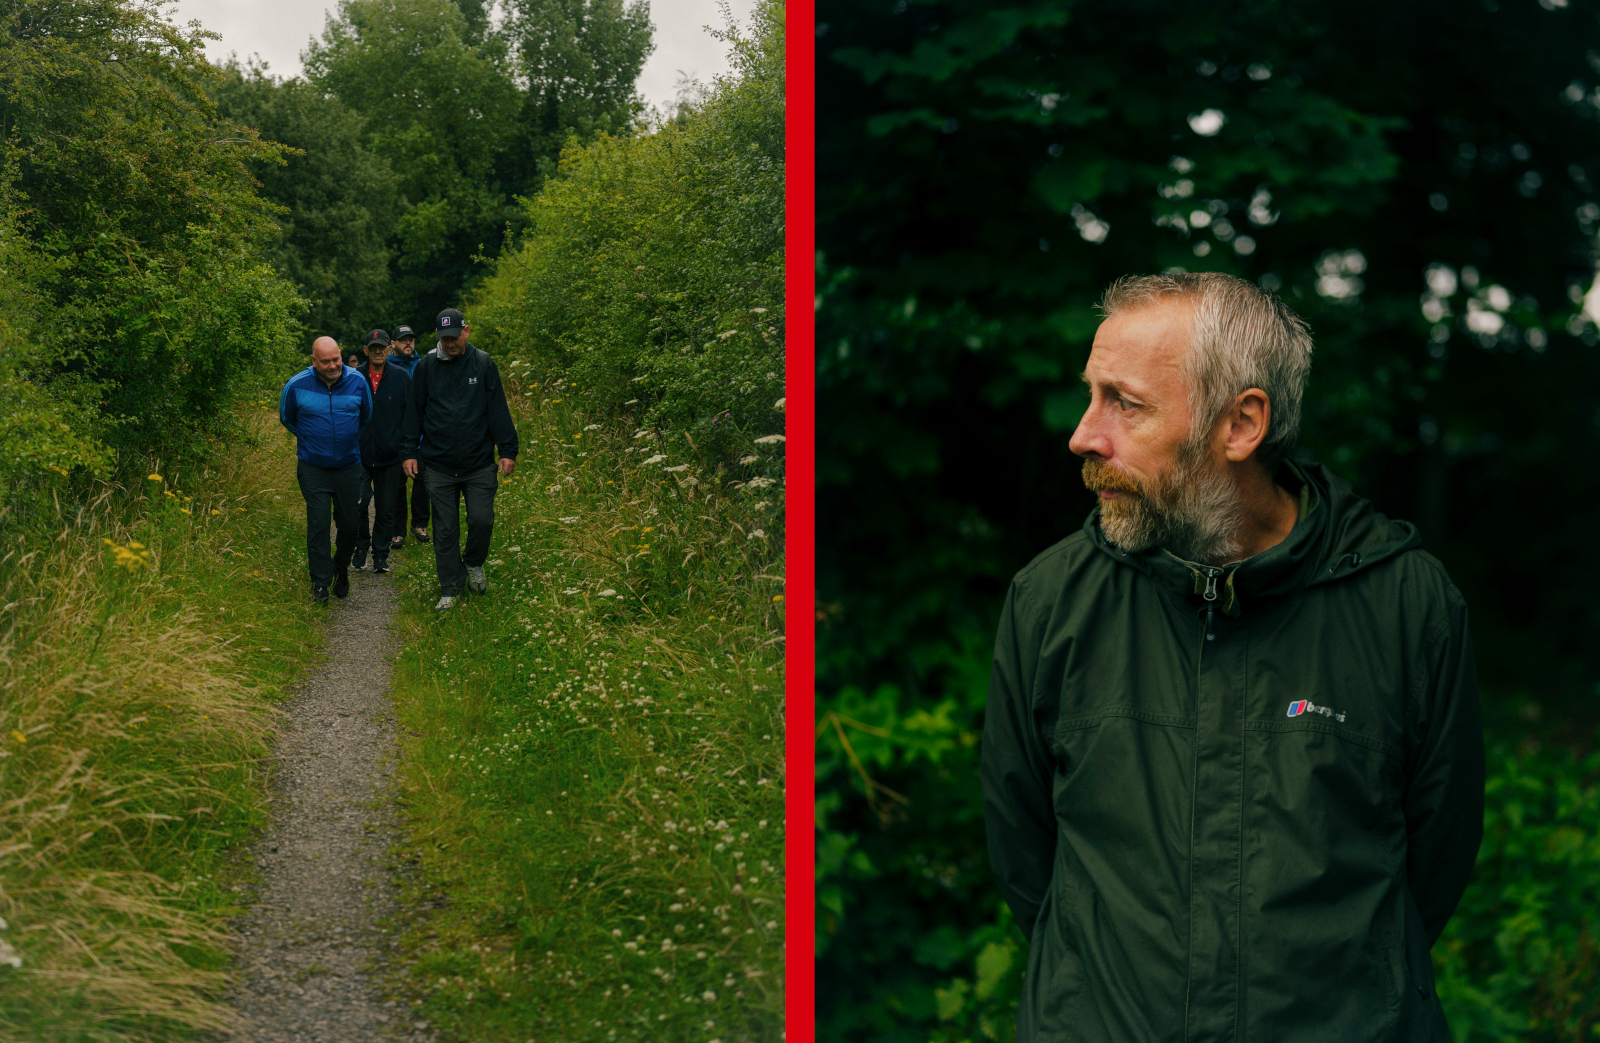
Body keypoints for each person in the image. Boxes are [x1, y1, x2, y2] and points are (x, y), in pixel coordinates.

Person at [981, 273, 1483, 1042]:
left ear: (1241, 424)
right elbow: (1025, 854)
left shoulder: (1406, 605)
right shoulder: (1051, 602)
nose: (1084, 434)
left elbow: (1436, 854)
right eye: (1092, 394)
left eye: (1125, 402)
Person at [400, 308, 518, 611]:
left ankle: (474, 562)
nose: (449, 344)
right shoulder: (426, 367)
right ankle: (450, 588)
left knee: (481, 519)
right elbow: (414, 411)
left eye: (454, 337)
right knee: (446, 529)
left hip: (478, 462)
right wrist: (409, 452)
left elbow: (498, 409)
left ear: (466, 331)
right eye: (444, 339)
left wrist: (507, 451)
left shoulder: (482, 363)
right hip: (437, 464)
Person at [278, 336, 371, 603]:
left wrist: (344, 441)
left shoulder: (357, 381)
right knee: (318, 524)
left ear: (341, 355)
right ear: (313, 361)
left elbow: (365, 417)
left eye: (336, 359)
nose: (332, 366)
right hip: (313, 467)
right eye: (325, 361)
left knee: (350, 525)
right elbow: (287, 418)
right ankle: (320, 582)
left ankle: (340, 567)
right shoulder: (296, 385)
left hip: (349, 466)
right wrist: (311, 439)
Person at [351, 328, 410, 574]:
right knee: (359, 503)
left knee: (386, 508)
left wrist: (407, 450)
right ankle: (362, 547)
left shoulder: (401, 376)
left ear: (389, 348)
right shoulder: (353, 377)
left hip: (390, 455)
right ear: (365, 350)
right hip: (360, 455)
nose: (377, 351)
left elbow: (410, 415)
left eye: (382, 347)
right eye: (372, 347)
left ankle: (380, 554)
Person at [385, 324, 429, 550]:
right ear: (393, 344)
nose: (408, 343)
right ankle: (397, 530)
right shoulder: (387, 366)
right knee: (397, 484)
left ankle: (420, 524)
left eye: (410, 339)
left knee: (422, 480)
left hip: (421, 436)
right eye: (403, 340)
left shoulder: (422, 365)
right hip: (396, 435)